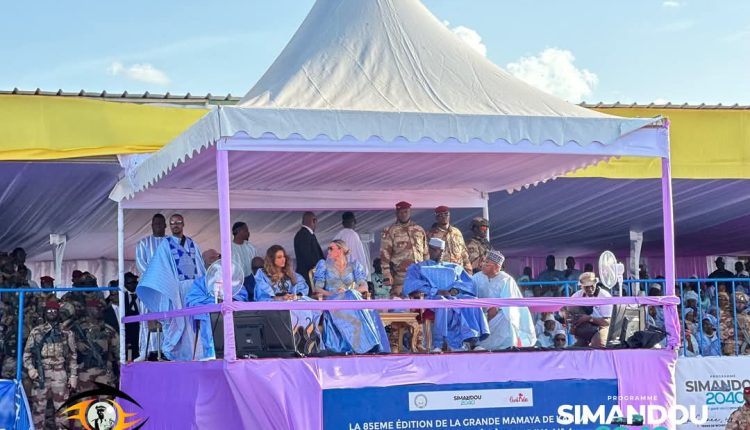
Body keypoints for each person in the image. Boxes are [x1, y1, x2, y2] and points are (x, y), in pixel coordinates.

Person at [137, 213, 205, 361]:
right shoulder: (165, 245)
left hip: (193, 289)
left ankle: (196, 354)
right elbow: (159, 269)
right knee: (179, 321)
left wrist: (202, 287)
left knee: (193, 322)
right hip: (176, 290)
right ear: (170, 225)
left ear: (183, 224)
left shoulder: (193, 243)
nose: (175, 225)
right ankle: (177, 354)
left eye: (178, 222)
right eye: (172, 223)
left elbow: (200, 267)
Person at [403, 238, 490, 352]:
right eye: (436, 250)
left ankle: (474, 342)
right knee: (442, 302)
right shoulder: (419, 267)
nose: (440, 253)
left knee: (471, 300)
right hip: (432, 298)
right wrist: (435, 291)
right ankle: (438, 345)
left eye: (442, 251)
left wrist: (453, 291)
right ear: (430, 250)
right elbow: (412, 285)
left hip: (453, 297)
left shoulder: (453, 267)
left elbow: (466, 284)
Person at [313, 240, 390, 354]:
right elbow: (317, 289)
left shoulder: (354, 265)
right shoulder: (324, 265)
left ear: (340, 250)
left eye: (331, 248)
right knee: (352, 298)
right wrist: (334, 294)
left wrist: (348, 291)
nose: (328, 251)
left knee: (355, 297)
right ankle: (366, 346)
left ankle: (369, 344)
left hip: (350, 299)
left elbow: (364, 287)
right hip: (333, 300)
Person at [22, 300, 77, 429]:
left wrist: (73, 376)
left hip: (60, 374)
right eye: (49, 311)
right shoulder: (37, 331)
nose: (51, 313)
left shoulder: (66, 332)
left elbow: (72, 355)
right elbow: (27, 354)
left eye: (54, 311)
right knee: (38, 409)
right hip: (41, 374)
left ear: (58, 312)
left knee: (62, 409)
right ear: (45, 313)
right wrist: (30, 369)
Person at [254, 245, 321, 351]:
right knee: (290, 310)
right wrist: (280, 298)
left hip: (292, 301)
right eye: (279, 257)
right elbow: (262, 295)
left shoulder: (290, 273)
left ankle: (306, 344)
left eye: (284, 256)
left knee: (305, 305)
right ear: (272, 259)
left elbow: (302, 288)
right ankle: (292, 344)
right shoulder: (263, 274)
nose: (283, 259)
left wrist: (295, 296)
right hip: (274, 303)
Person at [185, 252, 248, 360]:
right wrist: (214, 303)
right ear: (205, 263)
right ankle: (211, 354)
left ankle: (235, 354)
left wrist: (228, 301)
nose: (214, 260)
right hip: (208, 316)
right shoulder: (200, 282)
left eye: (217, 257)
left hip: (231, 314)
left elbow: (241, 296)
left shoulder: (232, 280)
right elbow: (193, 300)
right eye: (211, 258)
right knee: (209, 319)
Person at [473, 250, 536, 350]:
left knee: (506, 316)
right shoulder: (476, 277)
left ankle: (505, 348)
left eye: (487, 263)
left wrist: (495, 308)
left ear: (497, 267)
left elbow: (510, 302)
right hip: (480, 311)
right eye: (483, 262)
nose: (483, 265)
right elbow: (471, 295)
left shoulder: (506, 279)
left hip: (500, 313)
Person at [133, 213, 167, 361]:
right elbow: (141, 265)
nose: (158, 226)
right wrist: (157, 278)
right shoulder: (143, 243)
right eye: (155, 224)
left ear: (165, 225)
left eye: (160, 224)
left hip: (167, 288)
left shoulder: (171, 242)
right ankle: (146, 350)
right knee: (146, 319)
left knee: (167, 319)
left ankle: (166, 349)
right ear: (152, 226)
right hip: (149, 288)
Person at [380, 201, 428, 297]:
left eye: (406, 212)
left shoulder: (419, 230)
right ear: (396, 213)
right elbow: (385, 254)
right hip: (400, 276)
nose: (403, 214)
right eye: (401, 212)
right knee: (399, 303)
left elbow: (425, 253)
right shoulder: (390, 231)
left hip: (418, 275)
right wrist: (386, 274)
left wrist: (427, 271)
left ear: (410, 212)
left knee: (419, 302)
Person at [75, 299, 119, 391]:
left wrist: (121, 371)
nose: (100, 310)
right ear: (89, 309)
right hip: (84, 372)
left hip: (104, 371)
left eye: (101, 308)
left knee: (106, 399)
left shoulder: (108, 330)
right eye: (97, 308)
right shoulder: (78, 328)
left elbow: (118, 351)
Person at [568, 272, 612, 348]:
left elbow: (607, 322)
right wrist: (569, 319)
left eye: (592, 286)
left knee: (598, 343)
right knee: (576, 349)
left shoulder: (605, 296)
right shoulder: (577, 295)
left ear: (596, 284)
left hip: (602, 326)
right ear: (581, 286)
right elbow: (564, 309)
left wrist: (589, 318)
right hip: (585, 326)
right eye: (586, 287)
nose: (590, 289)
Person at [427, 206, 472, 273]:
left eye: (446, 214)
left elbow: (464, 253)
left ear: (449, 215)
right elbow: (428, 256)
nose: (444, 217)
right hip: (441, 272)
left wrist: (468, 271)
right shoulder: (431, 235)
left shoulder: (457, 232)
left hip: (458, 271)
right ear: (436, 217)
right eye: (440, 215)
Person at [333, 211, 371, 279]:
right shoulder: (354, 235)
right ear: (354, 221)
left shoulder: (337, 236)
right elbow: (360, 256)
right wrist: (364, 272)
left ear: (343, 223)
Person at [294, 212, 325, 290]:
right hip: (308, 277)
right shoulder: (303, 235)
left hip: (311, 276)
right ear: (314, 221)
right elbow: (308, 258)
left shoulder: (306, 234)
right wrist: (320, 268)